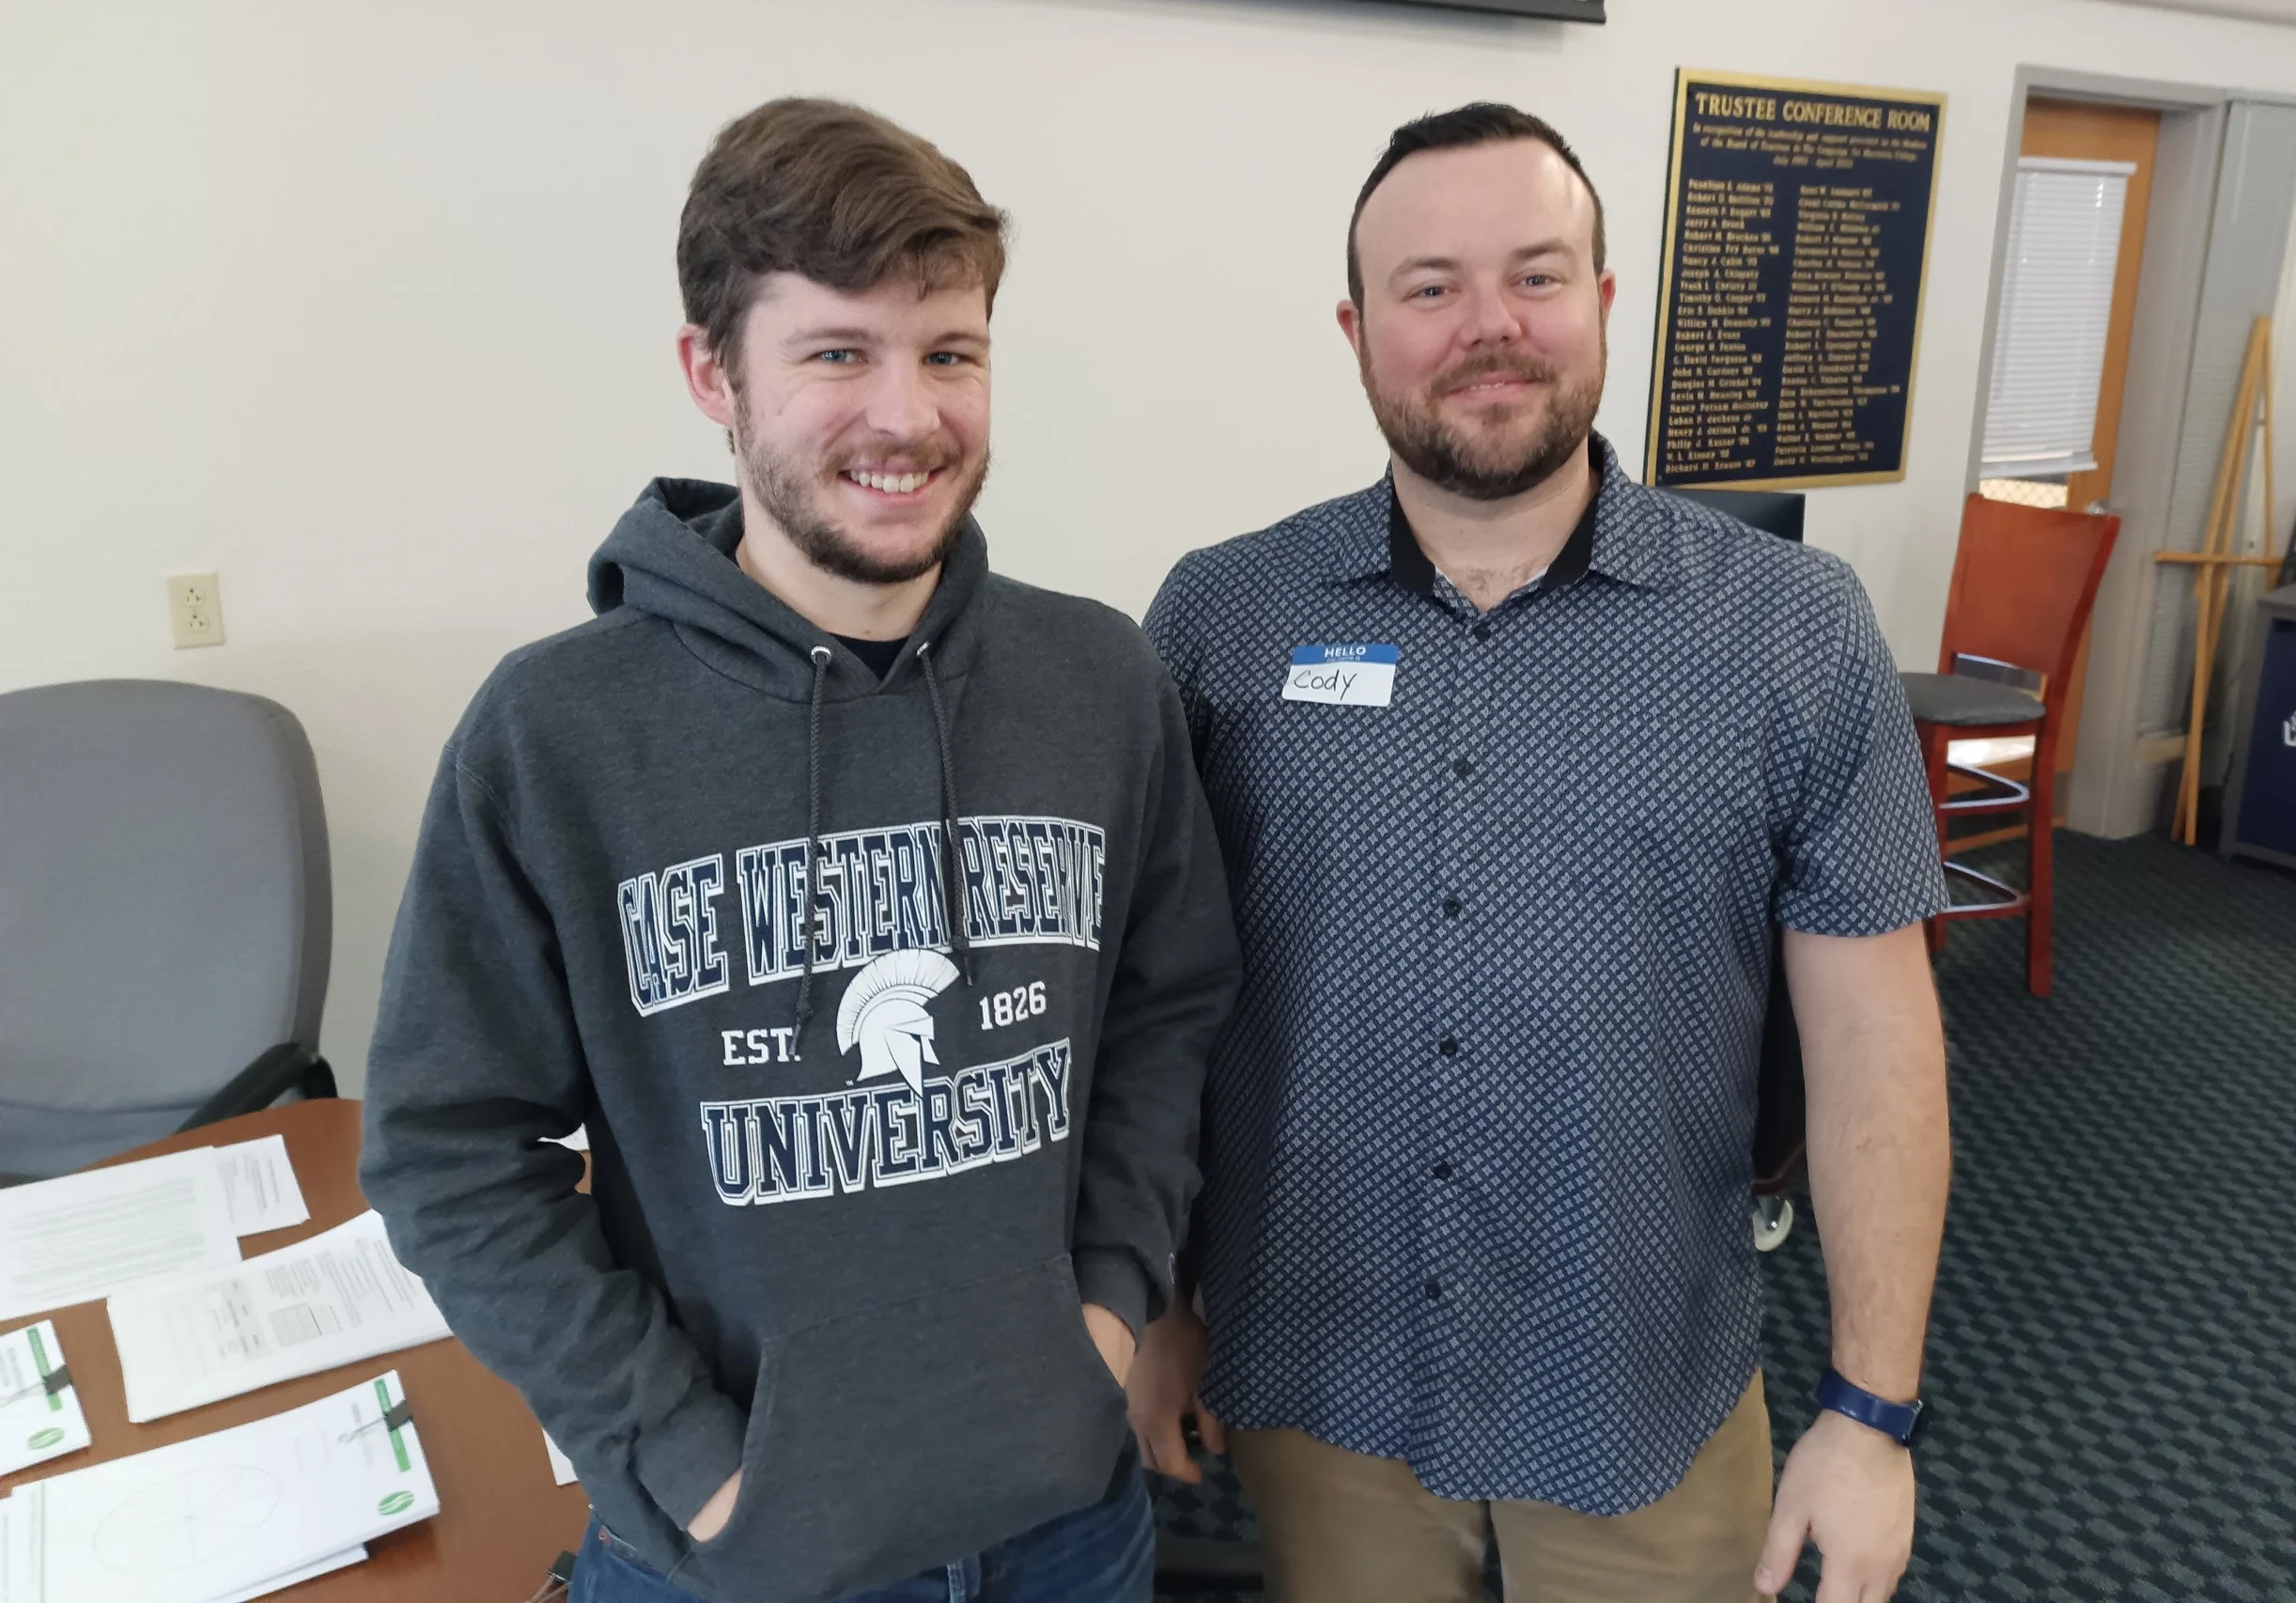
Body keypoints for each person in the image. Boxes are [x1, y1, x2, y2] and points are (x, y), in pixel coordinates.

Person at [362, 98, 1241, 1603]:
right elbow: (449, 1152)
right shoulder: (556, 733)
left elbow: (1168, 1013)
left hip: (1066, 1524)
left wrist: (1106, 1305)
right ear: (712, 372)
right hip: (743, 1553)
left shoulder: (1102, 685)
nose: (908, 415)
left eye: (950, 352)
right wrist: (685, 1452)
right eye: (838, 352)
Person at [1135, 102, 1951, 1603]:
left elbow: (1875, 1049)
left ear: (1604, 302)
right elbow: (1158, 1006)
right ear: (1358, 325)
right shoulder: (1218, 619)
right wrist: (1159, 1297)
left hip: (1638, 1380)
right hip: (1319, 1373)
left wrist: (1872, 1411)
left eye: (1536, 274)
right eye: (1430, 286)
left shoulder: (1790, 629)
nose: (1488, 326)